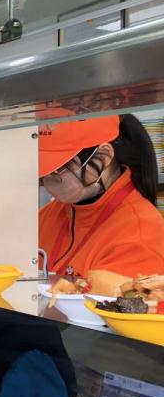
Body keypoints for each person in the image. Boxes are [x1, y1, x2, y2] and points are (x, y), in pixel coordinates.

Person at [38, 114, 164, 278]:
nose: (47, 180)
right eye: (43, 171)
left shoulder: (139, 236)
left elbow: (116, 293)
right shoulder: (49, 215)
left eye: (58, 169)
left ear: (103, 157)